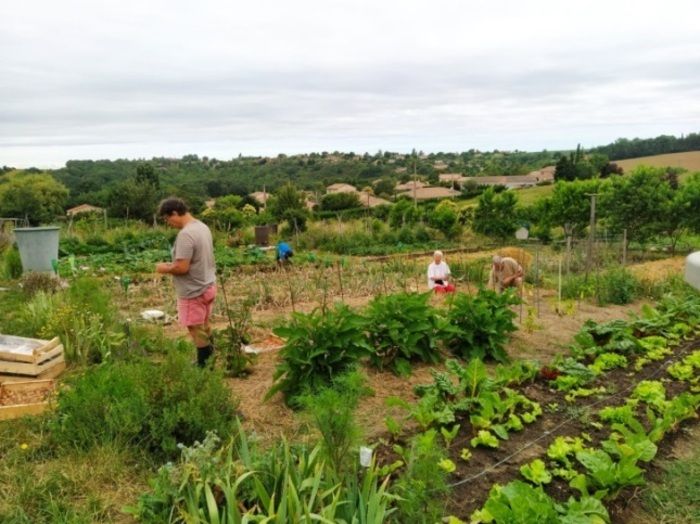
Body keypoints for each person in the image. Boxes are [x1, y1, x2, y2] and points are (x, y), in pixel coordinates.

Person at [155, 197, 217, 367]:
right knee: (204, 325)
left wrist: (164, 268)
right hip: (208, 285)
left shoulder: (186, 234)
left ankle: (204, 365)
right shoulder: (202, 227)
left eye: (167, 218)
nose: (168, 223)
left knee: (195, 328)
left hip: (193, 290)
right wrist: (172, 265)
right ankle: (212, 358)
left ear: (175, 213)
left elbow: (182, 268)